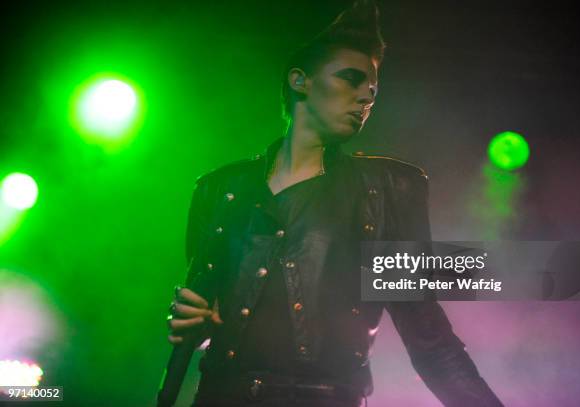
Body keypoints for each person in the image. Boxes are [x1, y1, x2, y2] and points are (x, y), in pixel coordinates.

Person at [166, 1, 503, 406]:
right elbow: (208, 319)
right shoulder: (219, 189)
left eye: (373, 90)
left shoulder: (388, 190)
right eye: (351, 79)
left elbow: (431, 341)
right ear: (299, 80)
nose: (366, 97)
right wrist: (196, 325)